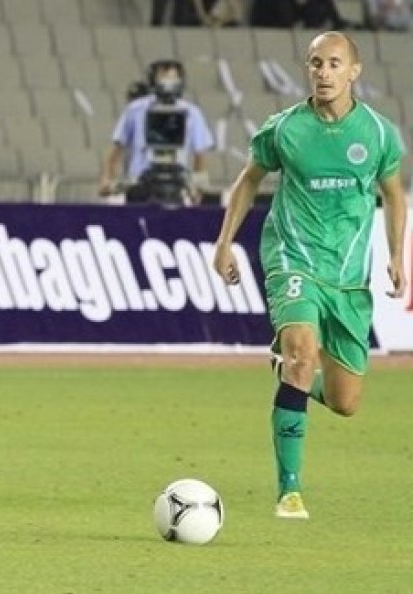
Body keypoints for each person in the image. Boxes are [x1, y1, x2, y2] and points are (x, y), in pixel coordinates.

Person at [211, 32, 406, 519]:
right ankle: (289, 491)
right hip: (293, 256)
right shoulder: (284, 129)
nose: (323, 72)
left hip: (347, 276)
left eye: (334, 63)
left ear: (354, 71)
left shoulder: (378, 134)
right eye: (316, 63)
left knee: (345, 402)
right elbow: (248, 180)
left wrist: (397, 255)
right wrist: (224, 241)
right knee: (301, 353)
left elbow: (393, 194)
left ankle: (293, 381)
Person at [98, 59, 215, 206]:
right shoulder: (135, 110)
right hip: (139, 183)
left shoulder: (192, 113)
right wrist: (107, 180)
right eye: (163, 78)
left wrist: (199, 186)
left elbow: (200, 154)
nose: (168, 84)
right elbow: (116, 149)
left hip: (177, 182)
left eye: (173, 78)